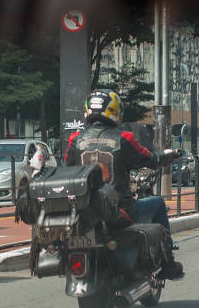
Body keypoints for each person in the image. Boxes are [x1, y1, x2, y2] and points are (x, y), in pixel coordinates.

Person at [63, 90, 184, 280]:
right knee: (159, 203)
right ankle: (168, 263)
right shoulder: (124, 139)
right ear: (115, 112)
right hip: (120, 212)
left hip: (84, 212)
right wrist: (170, 154)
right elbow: (150, 159)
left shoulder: (75, 140)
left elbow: (66, 169)